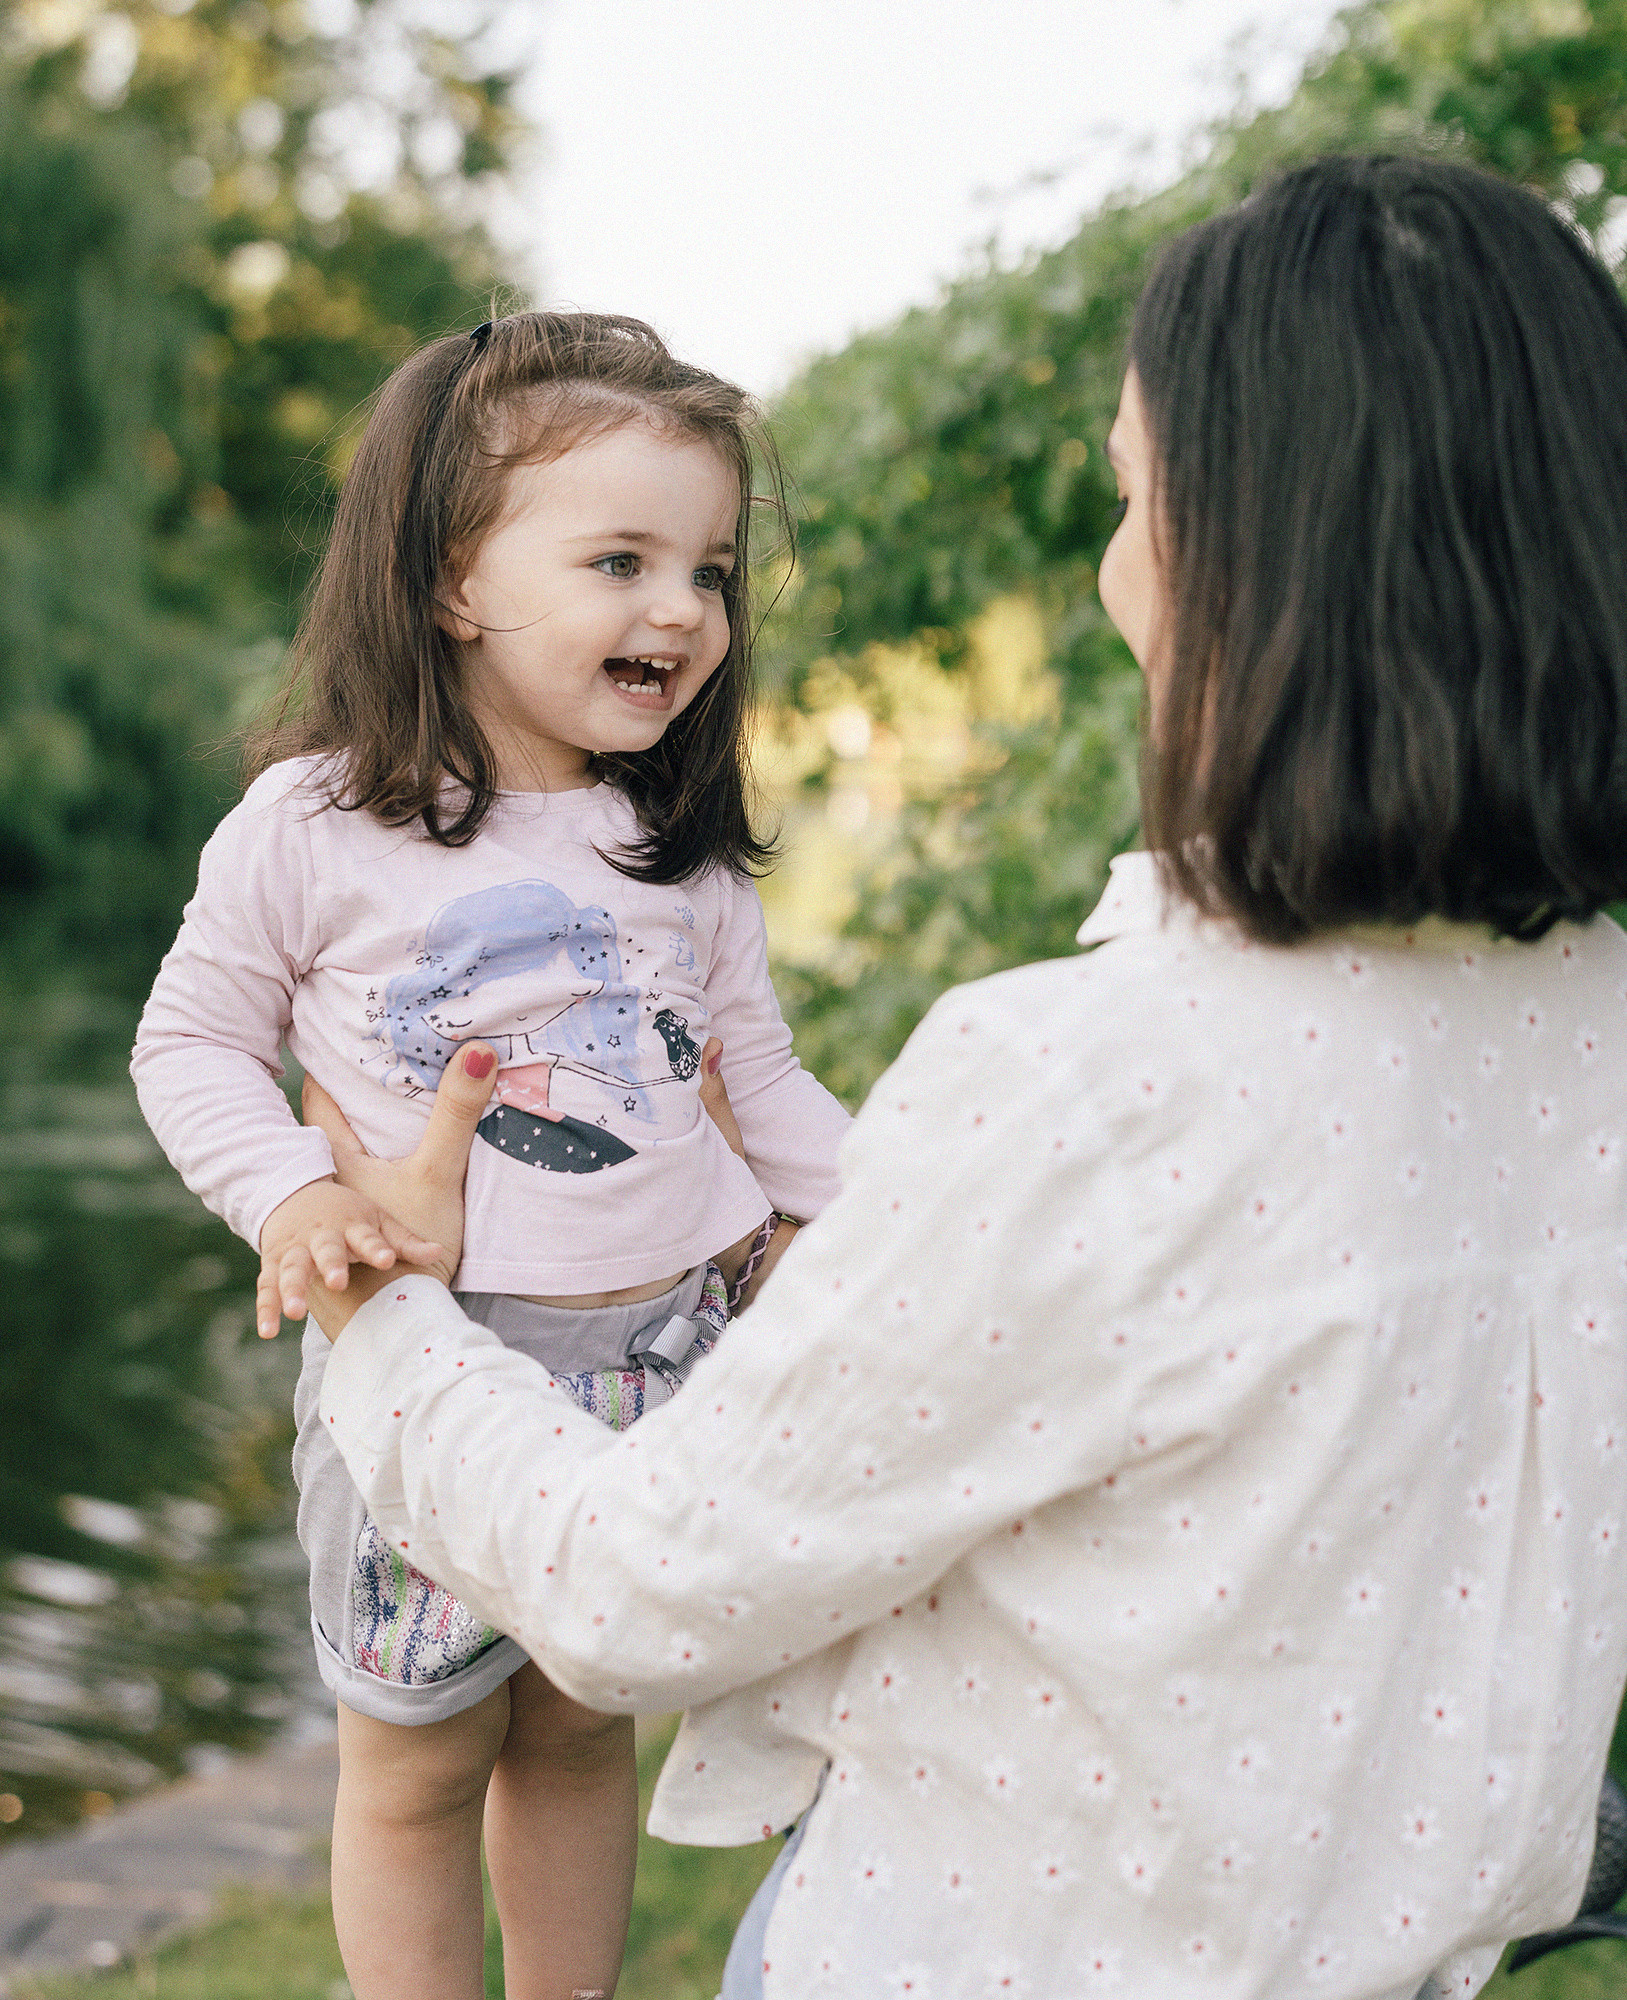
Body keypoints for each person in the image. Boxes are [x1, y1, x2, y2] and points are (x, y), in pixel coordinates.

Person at [299, 156, 1627, 1999]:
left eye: (1133, 495)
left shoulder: (1091, 1084)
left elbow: (634, 1589)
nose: (1112, 564)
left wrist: (378, 1310)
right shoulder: (1600, 1032)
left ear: (1249, 551)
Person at [130, 312, 850, 2000]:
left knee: (580, 1730)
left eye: (710, 571)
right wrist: (298, 1194)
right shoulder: (317, 824)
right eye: (622, 561)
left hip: (657, 1365)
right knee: (417, 1761)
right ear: (457, 581)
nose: (682, 609)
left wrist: (879, 1226)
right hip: (433, 1367)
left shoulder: (673, 853)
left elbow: (758, 1079)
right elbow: (190, 1043)